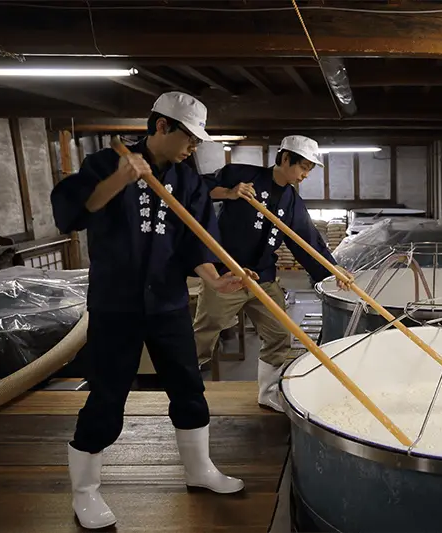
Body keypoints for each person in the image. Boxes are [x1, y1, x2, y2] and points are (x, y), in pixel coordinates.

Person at [51, 91, 255, 530]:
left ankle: (199, 470)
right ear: (162, 126)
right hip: (116, 304)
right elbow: (71, 213)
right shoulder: (107, 164)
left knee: (187, 386)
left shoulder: (188, 182)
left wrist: (214, 278)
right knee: (108, 395)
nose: (193, 148)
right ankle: (85, 492)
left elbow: (193, 240)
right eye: (189, 138)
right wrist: (121, 179)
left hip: (167, 303)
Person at [193, 135, 350, 412]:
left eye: (309, 171)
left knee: (279, 335)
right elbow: (195, 190)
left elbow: (308, 241)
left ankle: (267, 393)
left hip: (262, 279)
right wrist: (228, 192)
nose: (304, 175)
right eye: (302, 167)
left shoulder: (292, 201)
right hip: (226, 275)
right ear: (285, 158)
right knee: (203, 337)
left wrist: (332, 269)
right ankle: (184, 388)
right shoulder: (242, 175)